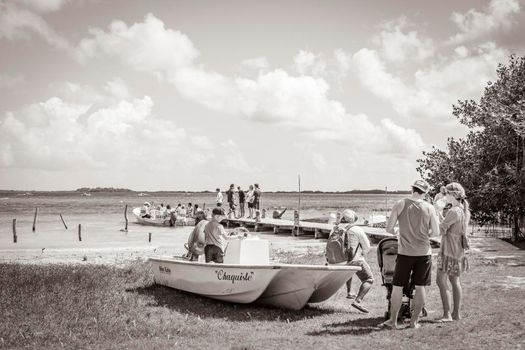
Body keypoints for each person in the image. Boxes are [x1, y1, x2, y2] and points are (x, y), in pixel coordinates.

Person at [380, 179, 439, 329]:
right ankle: (414, 322)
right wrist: (425, 233)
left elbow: (388, 228)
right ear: (425, 193)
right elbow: (436, 232)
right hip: (424, 253)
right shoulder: (429, 207)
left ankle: (393, 321)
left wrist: (399, 232)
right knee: (420, 287)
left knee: (398, 287)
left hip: (405, 252)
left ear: (412, 189)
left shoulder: (400, 203)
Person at [436, 182, 470, 322]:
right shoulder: (463, 210)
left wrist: (436, 212)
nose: (445, 197)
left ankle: (447, 315)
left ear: (452, 195)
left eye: (446, 194)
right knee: (455, 281)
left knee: (440, 281)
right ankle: (456, 313)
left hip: (448, 250)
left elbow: (442, 229)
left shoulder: (453, 211)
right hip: (457, 250)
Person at [339, 209, 374, 314]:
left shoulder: (336, 228)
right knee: (369, 279)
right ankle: (358, 301)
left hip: (338, 261)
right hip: (353, 260)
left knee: (349, 269)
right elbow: (367, 246)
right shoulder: (356, 229)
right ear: (353, 219)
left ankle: (349, 292)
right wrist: (362, 253)